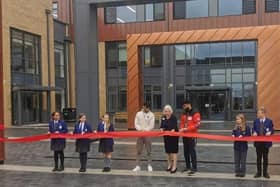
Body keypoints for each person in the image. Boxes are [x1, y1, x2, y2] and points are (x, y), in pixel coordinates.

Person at [179, 100, 200, 175]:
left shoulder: (195, 113)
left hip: (192, 136)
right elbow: (181, 122)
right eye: (183, 107)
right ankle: (188, 166)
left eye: (184, 106)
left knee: (192, 151)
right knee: (186, 152)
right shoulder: (184, 113)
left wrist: (187, 129)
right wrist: (181, 128)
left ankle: (194, 167)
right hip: (185, 135)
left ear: (189, 105)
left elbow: (197, 125)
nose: (183, 108)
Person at [132, 103, 155, 172]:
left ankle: (149, 165)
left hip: (147, 134)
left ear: (149, 108)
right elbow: (136, 123)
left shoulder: (152, 115)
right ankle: (138, 165)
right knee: (138, 150)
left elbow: (151, 125)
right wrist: (140, 130)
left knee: (148, 150)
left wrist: (145, 130)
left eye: (146, 108)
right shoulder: (138, 114)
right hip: (140, 134)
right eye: (144, 107)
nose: (144, 109)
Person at [252, 107, 274, 178]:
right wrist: (254, 132)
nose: (257, 114)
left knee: (265, 158)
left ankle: (265, 173)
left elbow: (272, 129)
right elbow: (253, 129)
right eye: (257, 113)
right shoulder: (255, 121)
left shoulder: (269, 121)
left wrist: (270, 132)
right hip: (258, 143)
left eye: (259, 113)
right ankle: (258, 172)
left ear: (263, 113)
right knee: (258, 158)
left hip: (266, 143)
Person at [160, 105, 179, 174]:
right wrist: (161, 129)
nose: (167, 112)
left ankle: (174, 166)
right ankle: (169, 165)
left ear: (171, 111)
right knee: (168, 151)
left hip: (173, 137)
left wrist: (172, 131)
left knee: (173, 151)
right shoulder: (163, 118)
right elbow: (162, 126)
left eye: (168, 111)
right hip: (166, 137)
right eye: (165, 111)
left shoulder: (173, 117)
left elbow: (174, 127)